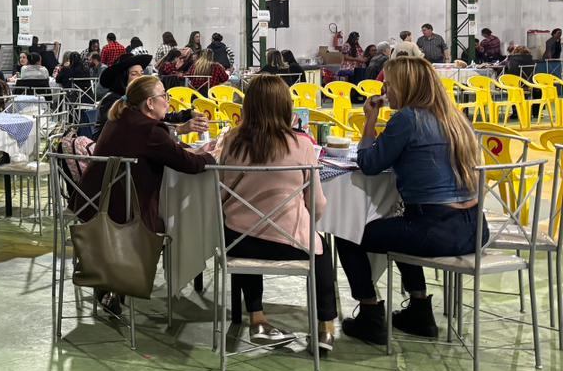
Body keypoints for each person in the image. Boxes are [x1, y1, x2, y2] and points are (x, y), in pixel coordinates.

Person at [337, 57, 485, 347]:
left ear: (406, 86)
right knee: (402, 226)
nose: (385, 91)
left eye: (389, 85)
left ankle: (369, 313)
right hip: (475, 228)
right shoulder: (455, 117)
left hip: (436, 230)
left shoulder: (407, 119)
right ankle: (419, 308)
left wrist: (370, 120)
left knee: (347, 233)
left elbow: (369, 164)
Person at [216, 75, 334, 351]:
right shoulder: (302, 145)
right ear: (285, 106)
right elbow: (316, 205)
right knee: (322, 250)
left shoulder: (232, 142)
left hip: (238, 242)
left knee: (242, 229)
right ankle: (326, 328)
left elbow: (221, 195)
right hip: (290, 243)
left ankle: (257, 317)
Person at [76, 75, 215, 246]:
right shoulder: (150, 130)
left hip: (92, 207)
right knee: (177, 225)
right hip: (125, 216)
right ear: (150, 103)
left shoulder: (119, 118)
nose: (168, 101)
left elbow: (166, 150)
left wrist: (195, 150)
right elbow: (191, 165)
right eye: (164, 95)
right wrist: (214, 154)